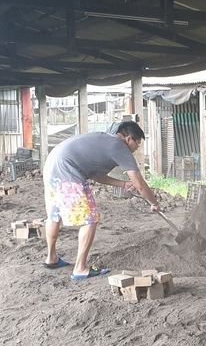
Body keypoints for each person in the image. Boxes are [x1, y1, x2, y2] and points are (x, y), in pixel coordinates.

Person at [42, 120, 160, 280]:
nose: (137, 148)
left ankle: (52, 258)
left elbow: (94, 174)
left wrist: (122, 184)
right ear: (129, 139)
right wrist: (154, 203)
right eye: (138, 143)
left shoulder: (102, 141)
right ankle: (80, 268)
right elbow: (140, 184)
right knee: (90, 219)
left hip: (52, 165)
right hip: (67, 171)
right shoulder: (119, 147)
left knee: (54, 215)